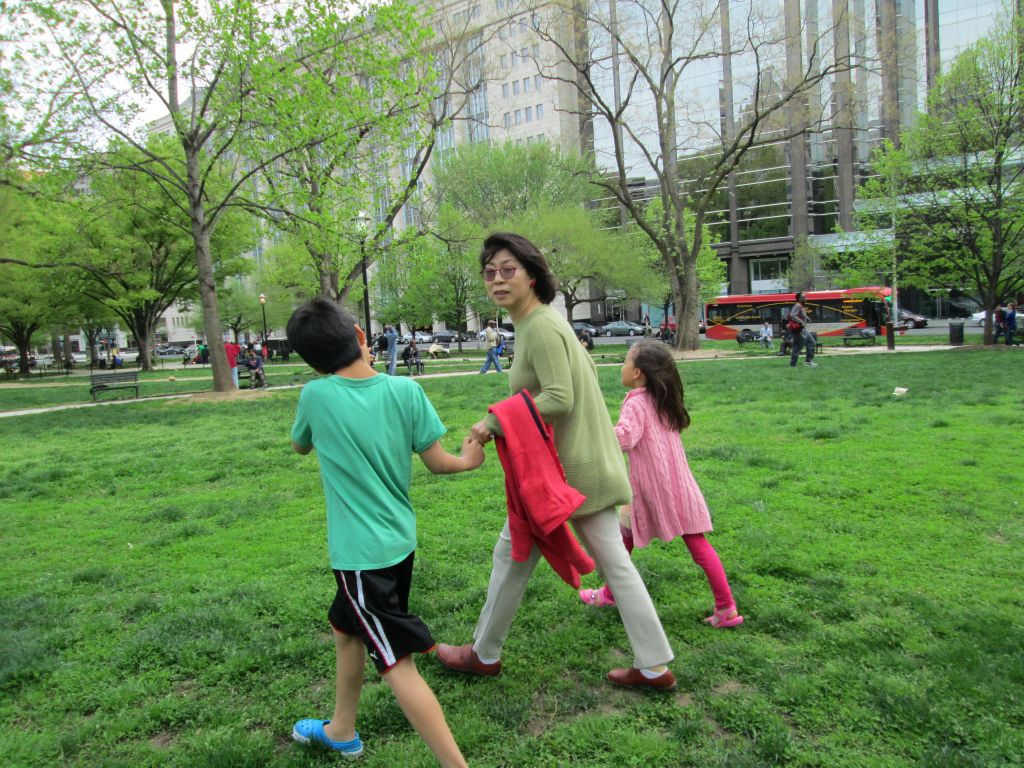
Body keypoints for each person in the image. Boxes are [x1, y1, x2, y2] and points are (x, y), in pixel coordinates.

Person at [437, 232, 676, 691]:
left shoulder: (542, 326)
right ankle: (652, 665)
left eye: (509, 270)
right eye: (490, 272)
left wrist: (494, 421)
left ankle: (484, 655)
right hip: (570, 467)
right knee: (519, 555)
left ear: (532, 274)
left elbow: (559, 399)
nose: (498, 279)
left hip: (567, 473)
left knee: (524, 555)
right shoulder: (535, 322)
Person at [285, 298, 483, 767]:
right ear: (359, 336)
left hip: (359, 558)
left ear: (311, 361)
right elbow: (438, 463)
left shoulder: (315, 396)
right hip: (397, 546)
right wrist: (470, 458)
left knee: (397, 663)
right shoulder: (406, 391)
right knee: (345, 626)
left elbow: (299, 446)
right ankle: (341, 730)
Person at [578, 341, 743, 628]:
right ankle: (726, 607)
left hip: (650, 490)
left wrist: (595, 433)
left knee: (620, 544)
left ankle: (609, 594)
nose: (622, 366)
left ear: (638, 372)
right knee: (695, 545)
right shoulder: (661, 398)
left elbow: (625, 437)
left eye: (625, 361)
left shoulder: (637, 401)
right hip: (680, 486)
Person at [787, 292, 817, 367]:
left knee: (812, 343)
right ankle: (793, 364)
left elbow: (801, 315)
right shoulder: (797, 305)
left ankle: (808, 361)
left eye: (805, 297)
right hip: (798, 330)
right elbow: (792, 315)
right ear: (799, 298)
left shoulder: (801, 306)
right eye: (804, 297)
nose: (806, 298)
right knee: (798, 347)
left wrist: (807, 318)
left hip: (803, 329)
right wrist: (802, 322)